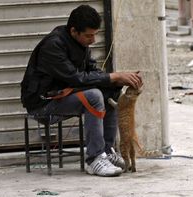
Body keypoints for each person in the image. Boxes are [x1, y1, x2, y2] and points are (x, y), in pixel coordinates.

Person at [20, 4, 143, 177]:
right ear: (73, 31)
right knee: (94, 96)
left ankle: (106, 151)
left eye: (95, 34)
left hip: (63, 98)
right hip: (43, 104)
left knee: (111, 91)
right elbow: (76, 78)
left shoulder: (80, 44)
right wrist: (113, 76)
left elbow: (92, 72)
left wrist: (118, 80)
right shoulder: (53, 46)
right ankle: (94, 159)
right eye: (88, 35)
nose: (93, 40)